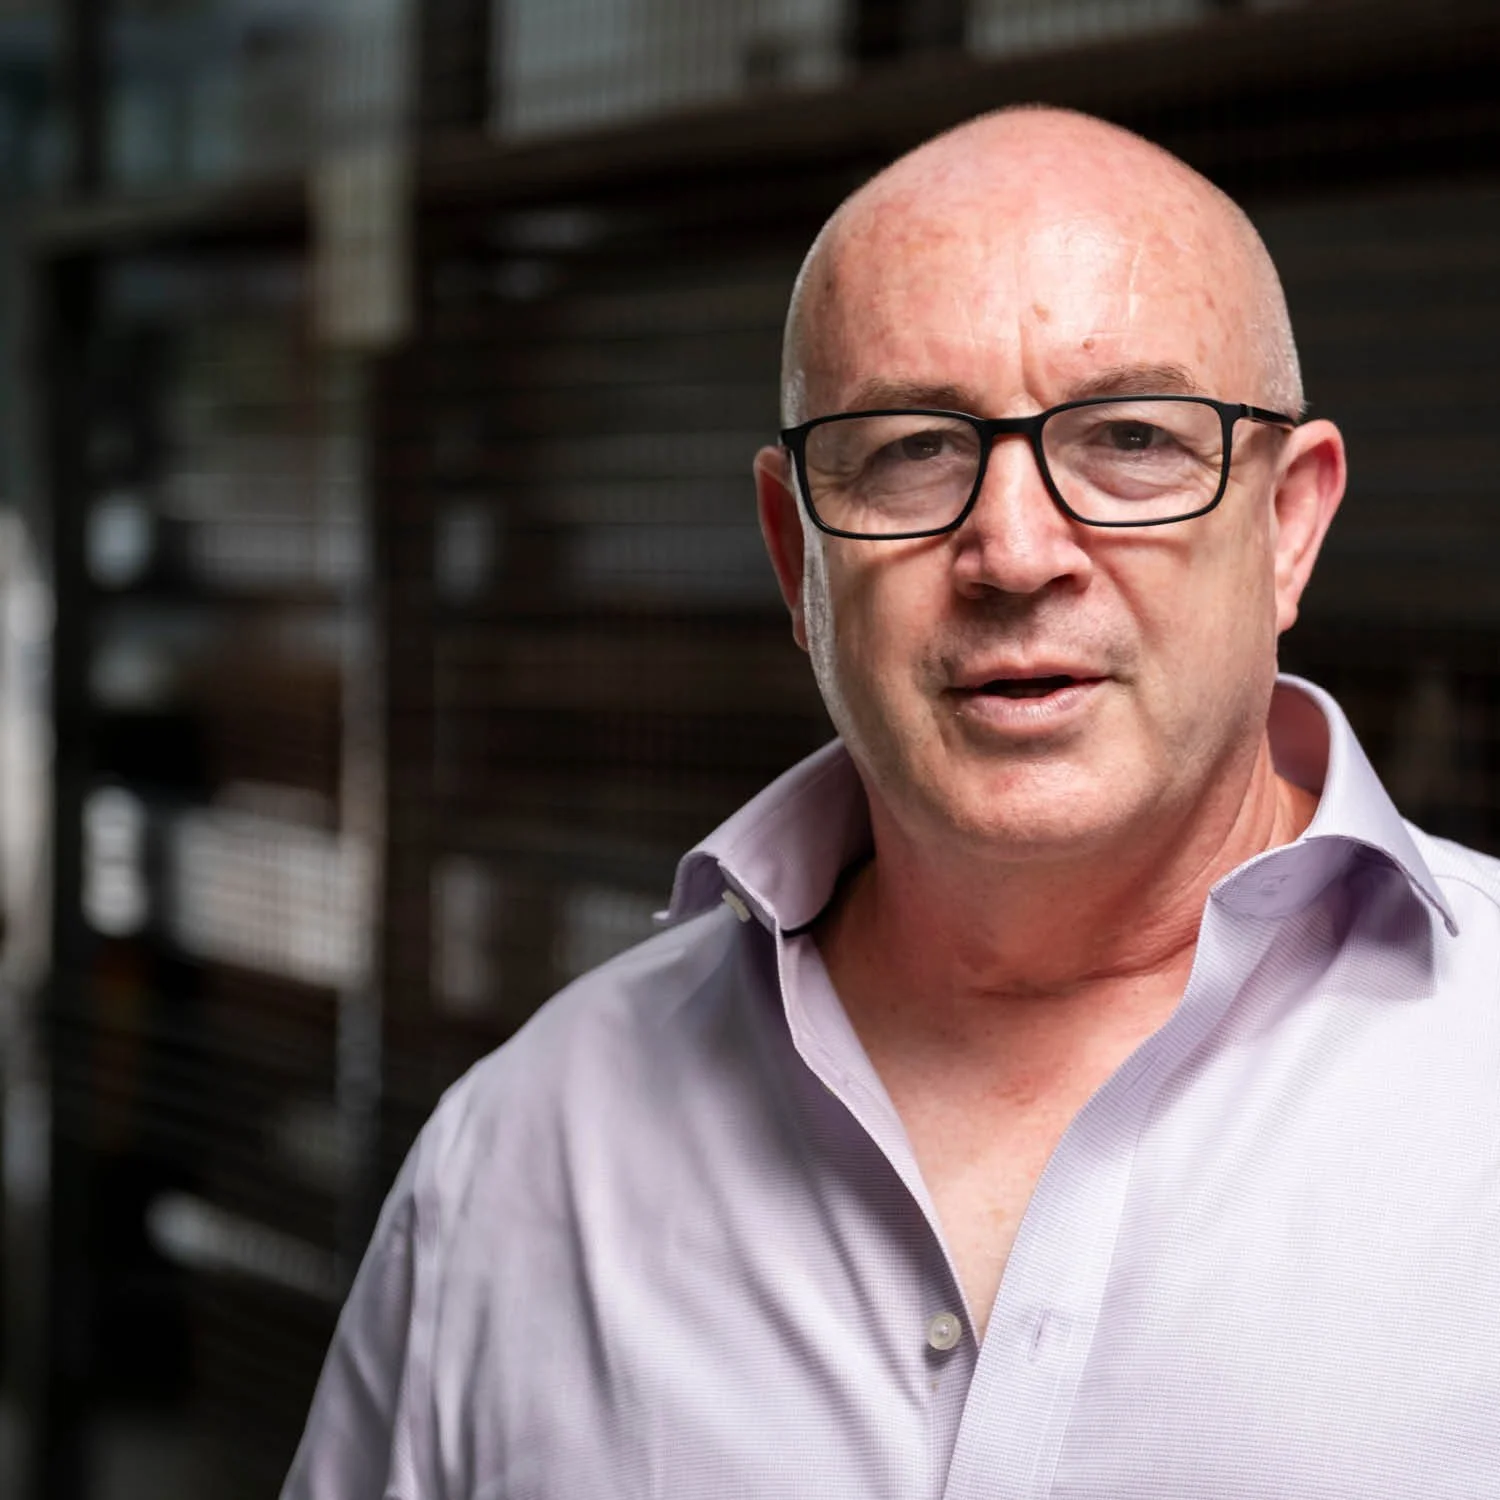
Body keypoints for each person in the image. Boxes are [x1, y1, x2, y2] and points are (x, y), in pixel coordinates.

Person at [282, 107, 1500, 1499]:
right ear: (794, 555)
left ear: (1288, 525)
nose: (1016, 552)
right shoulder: (517, 1160)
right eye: (913, 450)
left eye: (1131, 437)